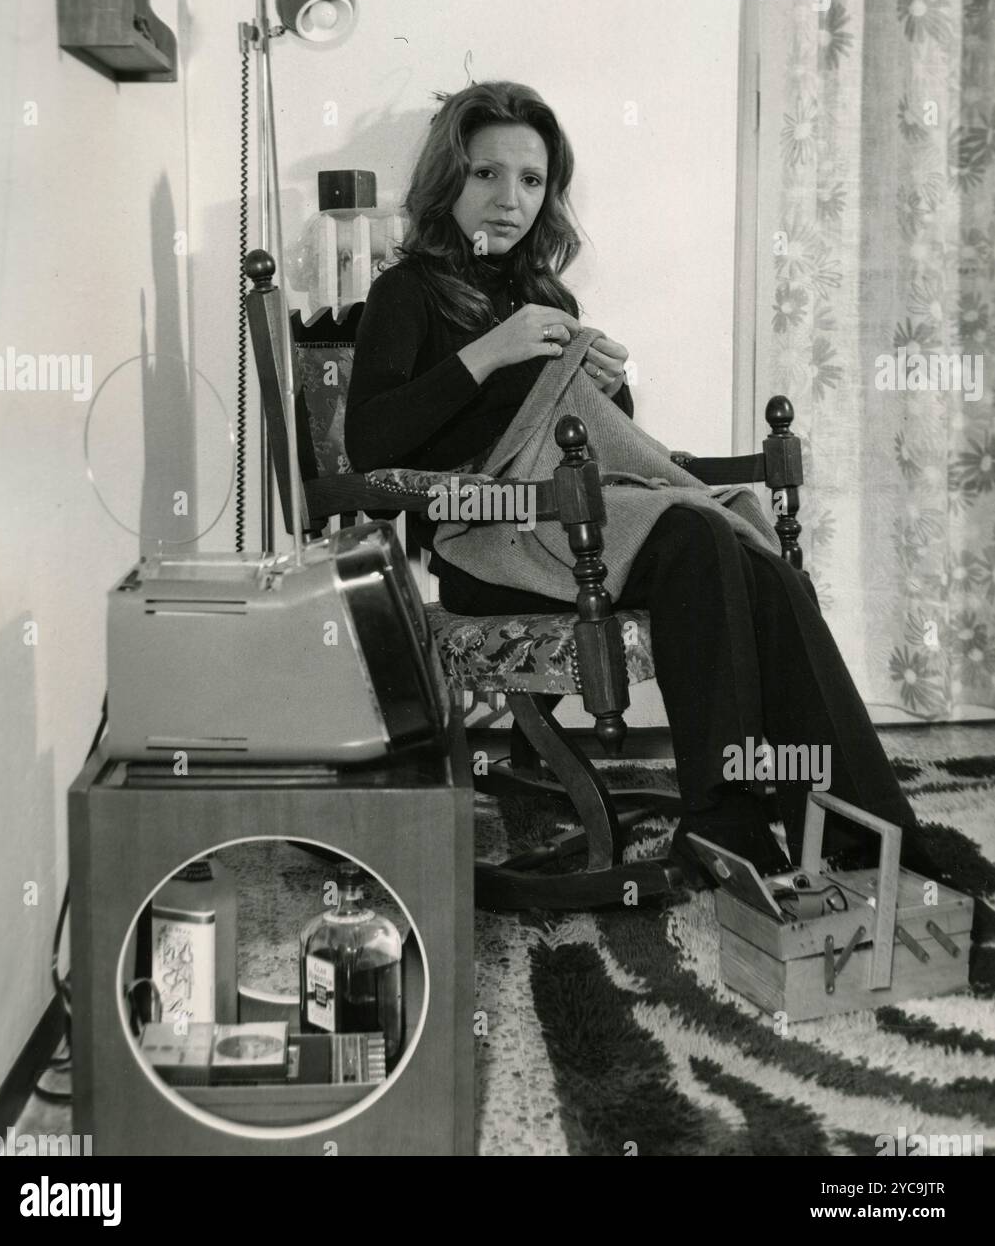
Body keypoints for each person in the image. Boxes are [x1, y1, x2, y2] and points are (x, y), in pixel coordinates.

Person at [345, 80, 942, 883]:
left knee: (753, 560)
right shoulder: (406, 291)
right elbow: (368, 445)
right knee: (700, 529)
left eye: (530, 180)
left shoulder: (546, 294)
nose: (508, 199)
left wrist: (606, 385)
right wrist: (489, 352)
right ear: (447, 179)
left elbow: (585, 440)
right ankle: (722, 820)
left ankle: (860, 827)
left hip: (572, 524)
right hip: (485, 541)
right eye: (487, 174)